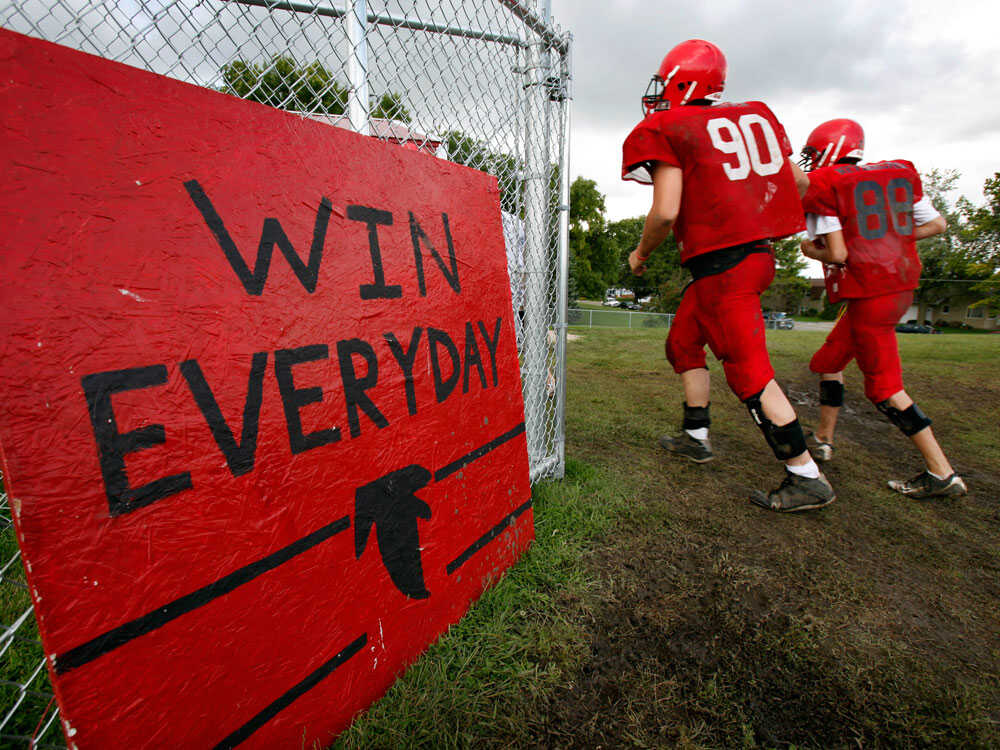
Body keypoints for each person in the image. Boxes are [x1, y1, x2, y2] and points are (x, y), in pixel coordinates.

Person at [622, 39, 836, 512]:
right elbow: (800, 181)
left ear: (680, 81)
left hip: (724, 268)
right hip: (751, 256)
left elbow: (665, 212)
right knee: (682, 343)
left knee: (749, 372)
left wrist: (640, 253)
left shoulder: (670, 126)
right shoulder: (752, 118)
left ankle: (805, 474)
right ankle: (696, 436)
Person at [798, 118, 967, 498]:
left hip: (872, 294)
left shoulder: (829, 185)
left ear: (829, 149)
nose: (811, 161)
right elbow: (937, 225)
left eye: (813, 153)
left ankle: (941, 472)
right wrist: (891, 238)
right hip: (898, 285)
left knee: (885, 387)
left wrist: (811, 251)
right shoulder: (895, 175)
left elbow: (837, 254)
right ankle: (823, 438)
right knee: (828, 361)